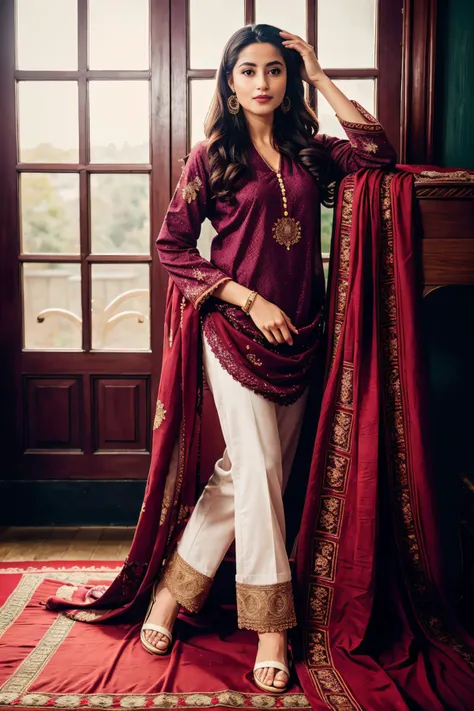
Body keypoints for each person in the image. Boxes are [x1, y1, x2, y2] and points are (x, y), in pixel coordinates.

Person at [140, 23, 397, 694]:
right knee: (257, 469)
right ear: (229, 81)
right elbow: (172, 245)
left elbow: (378, 153)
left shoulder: (310, 153)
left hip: (302, 334)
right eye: (248, 70)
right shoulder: (211, 157)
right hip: (233, 329)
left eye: (275, 71)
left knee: (251, 476)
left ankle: (173, 590)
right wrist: (247, 301)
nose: (262, 81)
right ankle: (271, 624)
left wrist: (319, 73)